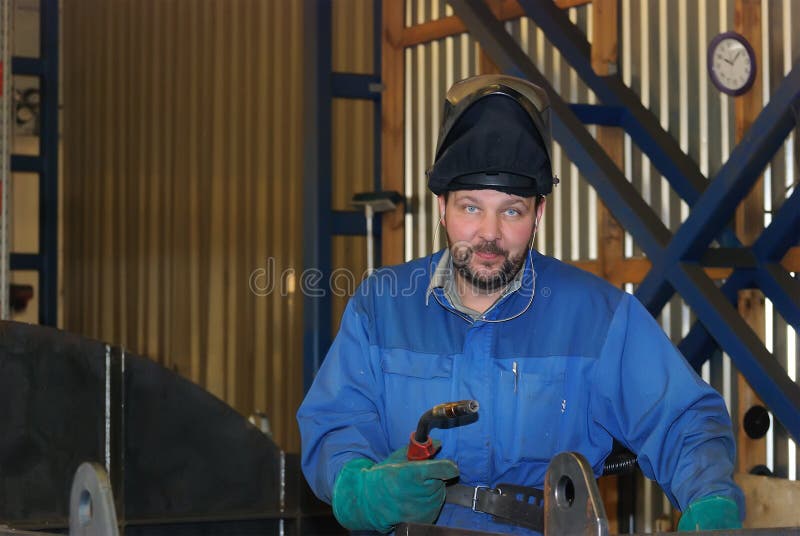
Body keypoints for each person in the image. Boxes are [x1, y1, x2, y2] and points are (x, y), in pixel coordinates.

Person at [297, 74, 744, 534]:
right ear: (442, 207)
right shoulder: (381, 308)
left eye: (511, 210)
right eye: (471, 206)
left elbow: (683, 420)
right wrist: (357, 485)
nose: (489, 233)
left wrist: (710, 501)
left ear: (538, 215)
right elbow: (336, 423)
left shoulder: (598, 317)